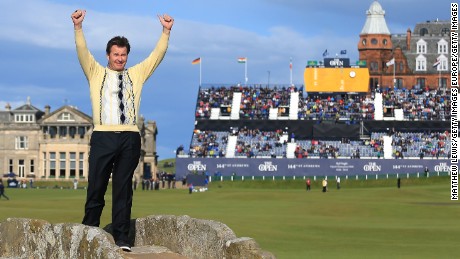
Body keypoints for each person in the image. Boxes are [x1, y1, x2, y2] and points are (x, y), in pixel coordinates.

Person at [71, 9, 174, 252]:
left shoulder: (136, 74)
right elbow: (82, 52)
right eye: (116, 54)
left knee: (123, 189)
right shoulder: (95, 72)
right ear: (108, 55)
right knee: (96, 186)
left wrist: (166, 32)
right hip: (103, 136)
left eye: (123, 55)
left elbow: (155, 57)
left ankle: (122, 239)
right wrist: (78, 28)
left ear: (127, 56)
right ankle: (90, 232)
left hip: (130, 137)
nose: (119, 59)